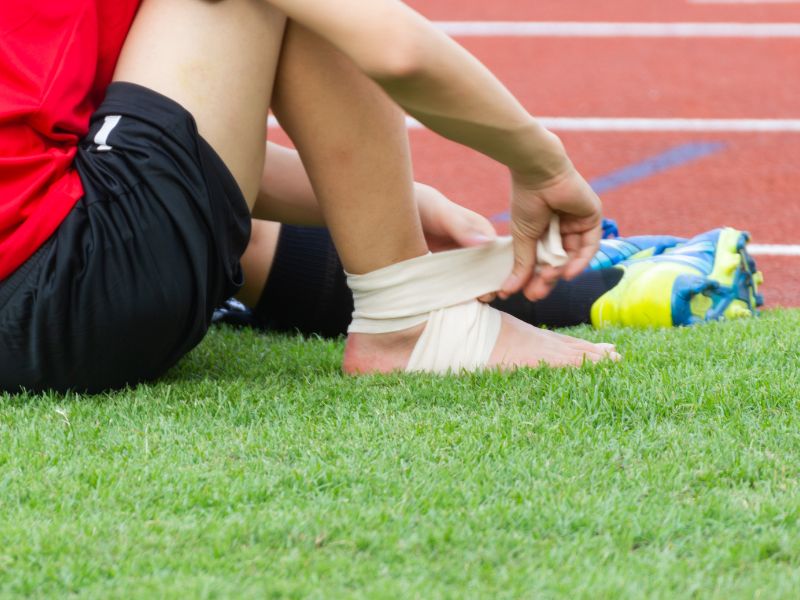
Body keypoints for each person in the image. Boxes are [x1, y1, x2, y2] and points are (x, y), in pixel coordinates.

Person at [0, 0, 620, 393]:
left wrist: (399, 199)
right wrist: (543, 164)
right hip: (73, 299)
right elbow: (394, 50)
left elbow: (145, 147)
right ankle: (406, 321)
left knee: (256, 244)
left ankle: (604, 287)